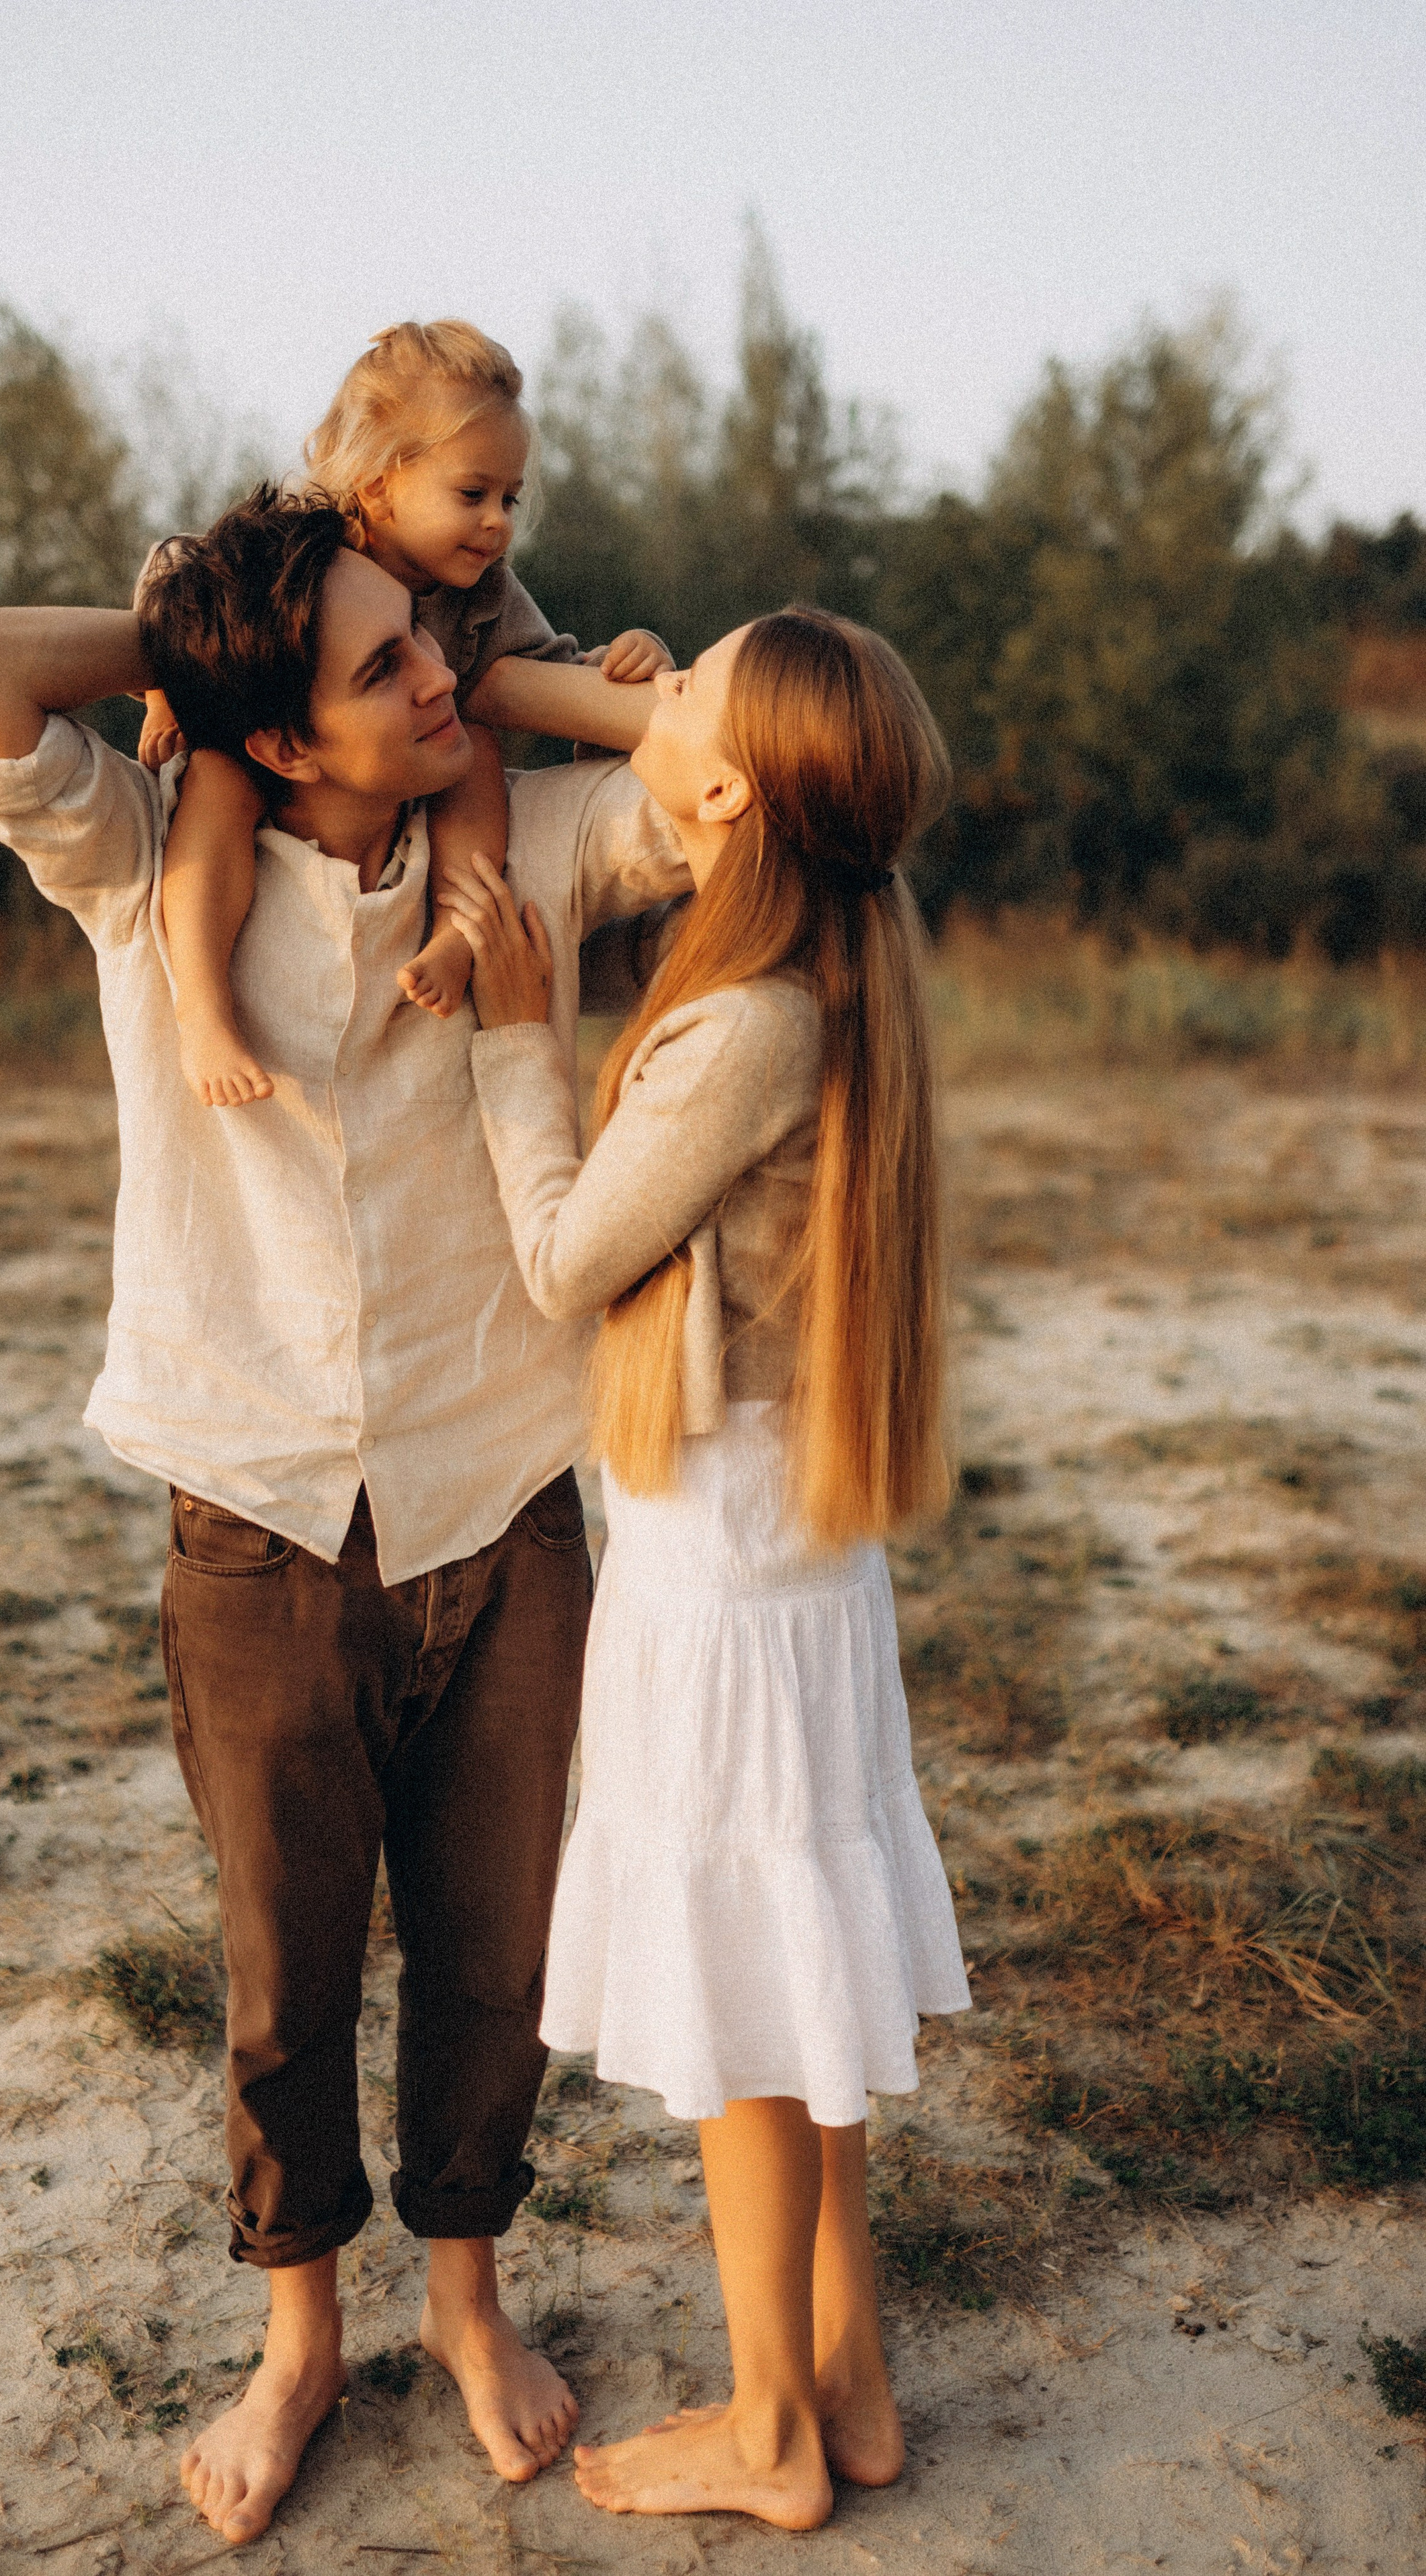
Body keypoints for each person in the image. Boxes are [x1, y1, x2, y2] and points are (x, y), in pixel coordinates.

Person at [0, 484, 692, 2547]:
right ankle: (298, 2346)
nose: (437, 673)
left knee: (489, 1954)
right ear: (269, 732)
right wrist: (190, 647)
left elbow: (717, 763)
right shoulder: (145, 858)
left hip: (501, 1493)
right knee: (285, 1978)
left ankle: (461, 2300)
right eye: (382, 664)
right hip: (251, 1509)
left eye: (434, 639)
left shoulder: (506, 831)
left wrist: (501, 669)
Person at [449, 607, 972, 2529]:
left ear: (732, 792)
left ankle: (766, 2435)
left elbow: (573, 1258)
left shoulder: (742, 1021)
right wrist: (502, 661)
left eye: (681, 695)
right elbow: (662, 725)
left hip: (721, 1587)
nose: (647, 704)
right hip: (801, 1560)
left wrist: (522, 1042)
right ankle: (845, 2371)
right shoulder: (827, 944)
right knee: (807, 1976)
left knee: (750, 2019)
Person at [140, 320, 671, 1106]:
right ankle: (205, 1011)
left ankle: (460, 931)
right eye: (472, 494)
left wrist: (628, 659)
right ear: (380, 482)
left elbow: (553, 672)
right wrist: (162, 693)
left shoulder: (485, 591)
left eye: (510, 498)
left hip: (419, 765)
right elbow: (174, 577)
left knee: (478, 752)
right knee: (218, 780)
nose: (499, 522)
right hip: (280, 758)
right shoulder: (302, 544)